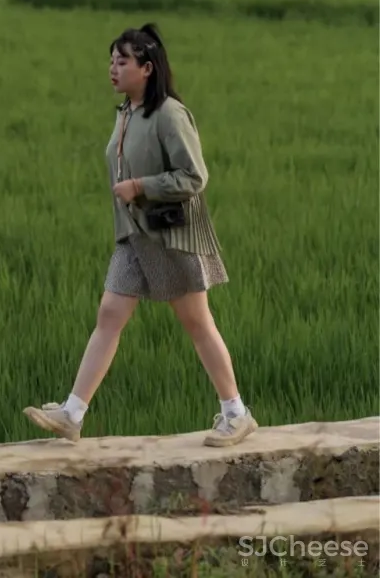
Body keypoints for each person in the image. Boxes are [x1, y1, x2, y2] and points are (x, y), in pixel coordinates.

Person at [23, 23, 256, 447]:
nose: (113, 69)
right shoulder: (126, 114)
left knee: (197, 322)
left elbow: (194, 175)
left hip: (171, 236)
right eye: (111, 61)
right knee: (109, 314)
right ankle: (73, 412)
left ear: (147, 68)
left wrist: (142, 186)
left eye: (122, 61)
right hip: (134, 236)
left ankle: (236, 413)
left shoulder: (169, 114)